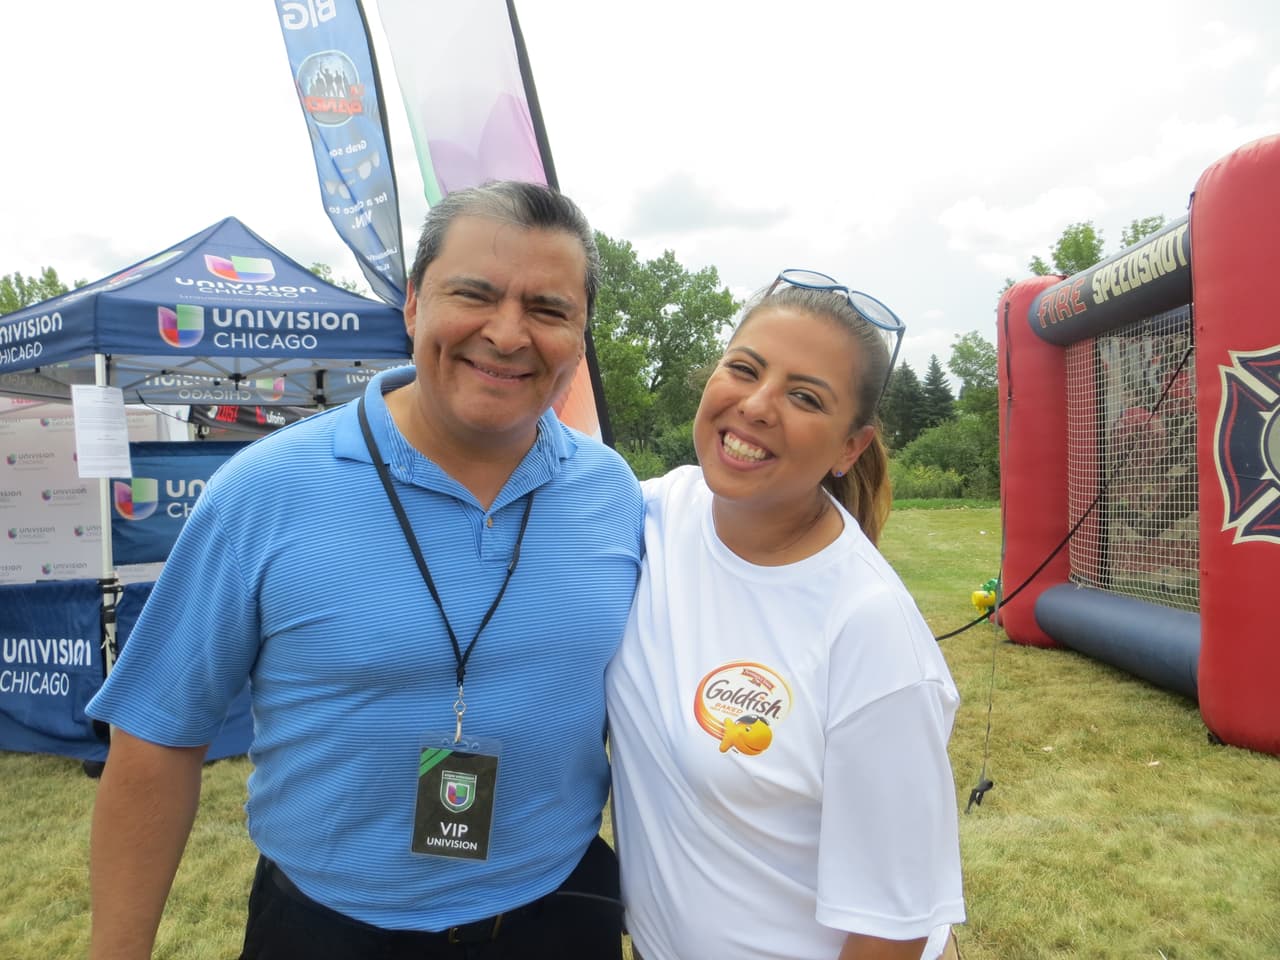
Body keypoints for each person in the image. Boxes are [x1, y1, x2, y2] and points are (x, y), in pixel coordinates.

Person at [86, 180, 643, 960]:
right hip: (327, 931)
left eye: (548, 309)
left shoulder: (611, 494)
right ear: (414, 303)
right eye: (473, 294)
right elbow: (155, 738)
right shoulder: (265, 489)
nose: (509, 334)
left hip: (557, 918)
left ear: (581, 335)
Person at [606, 270, 965, 960]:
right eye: (744, 368)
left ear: (848, 449)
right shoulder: (648, 515)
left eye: (805, 396)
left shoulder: (870, 630)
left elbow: (892, 928)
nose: (758, 405)